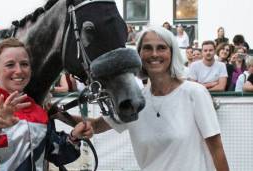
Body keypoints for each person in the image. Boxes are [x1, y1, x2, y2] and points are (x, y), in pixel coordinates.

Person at [60, 26, 230, 171]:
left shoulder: (195, 93)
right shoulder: (136, 101)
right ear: (139, 55)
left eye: (161, 48)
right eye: (147, 48)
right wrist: (55, 113)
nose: (154, 54)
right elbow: (95, 126)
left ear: (172, 52)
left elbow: (216, 149)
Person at [0, 38, 93, 171]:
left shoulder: (38, 111)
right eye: (10, 65)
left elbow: (55, 153)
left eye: (24, 64)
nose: (19, 70)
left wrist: (74, 137)